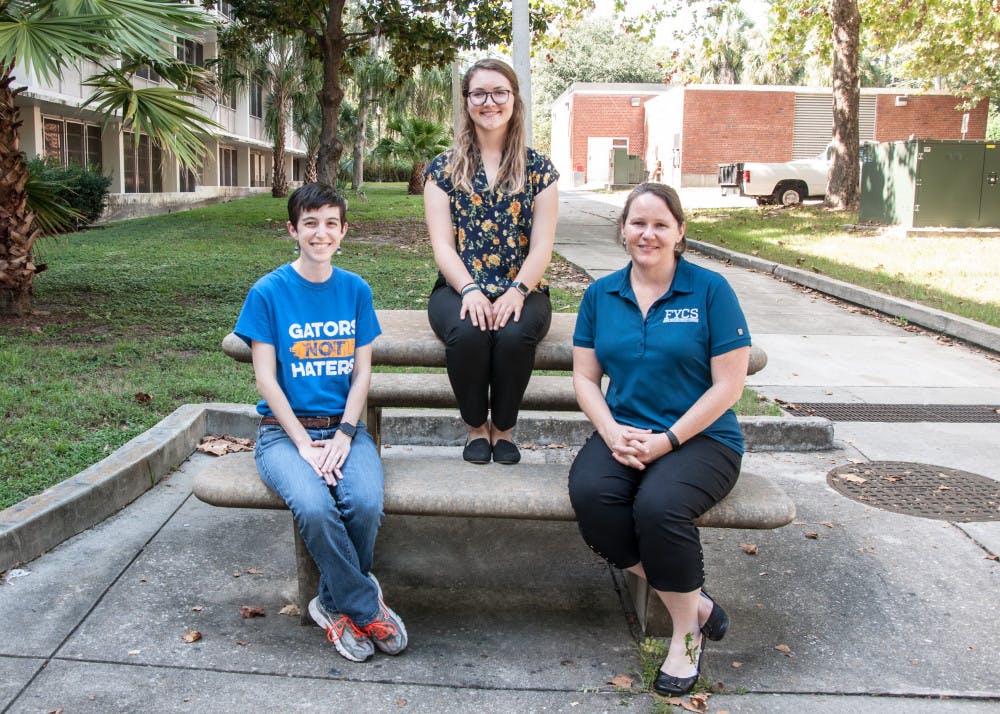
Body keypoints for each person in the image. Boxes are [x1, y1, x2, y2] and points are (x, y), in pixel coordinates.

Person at [567, 183, 751, 697]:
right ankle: (697, 603)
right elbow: (586, 378)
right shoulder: (601, 294)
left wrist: (667, 440)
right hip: (624, 431)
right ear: (623, 229)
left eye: (660, 224)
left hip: (702, 440)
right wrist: (610, 431)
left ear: (680, 232)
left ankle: (685, 634)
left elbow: (729, 385)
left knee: (659, 508)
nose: (648, 233)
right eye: (638, 223)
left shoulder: (710, 290)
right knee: (592, 498)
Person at [234, 183, 407, 664]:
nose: (320, 232)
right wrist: (306, 447)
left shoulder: (355, 290)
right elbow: (267, 381)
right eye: (310, 222)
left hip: (345, 428)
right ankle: (365, 606)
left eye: (331, 222)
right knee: (314, 507)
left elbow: (362, 374)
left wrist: (346, 436)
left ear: (344, 231)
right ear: (292, 229)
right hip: (283, 436)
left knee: (366, 502)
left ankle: (331, 604)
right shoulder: (268, 292)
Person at [423, 58, 559, 466]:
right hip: (457, 287)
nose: (490, 102)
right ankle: (475, 430)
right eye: (479, 93)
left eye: (499, 92)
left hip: (525, 287)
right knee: (469, 332)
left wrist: (517, 291)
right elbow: (443, 246)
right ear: (466, 102)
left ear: (514, 100)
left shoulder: (539, 170)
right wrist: (470, 290)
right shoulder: (442, 169)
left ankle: (504, 430)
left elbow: (542, 247)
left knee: (514, 336)